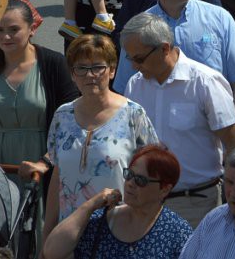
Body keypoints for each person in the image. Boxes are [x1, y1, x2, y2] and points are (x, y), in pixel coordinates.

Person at [112, 0, 235, 140]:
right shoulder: (139, 28)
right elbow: (124, 92)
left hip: (213, 140)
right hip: (158, 145)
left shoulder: (219, 18)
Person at [121, 13, 235, 228]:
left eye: (139, 59)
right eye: (130, 59)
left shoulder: (205, 83)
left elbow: (234, 145)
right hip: (147, 203)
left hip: (196, 204)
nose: (134, 66)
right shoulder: (135, 85)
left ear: (164, 49)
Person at [41, 34, 158, 241]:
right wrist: (48, 232)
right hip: (69, 235)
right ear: (72, 74)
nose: (90, 75)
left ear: (112, 70)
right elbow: (57, 177)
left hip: (119, 233)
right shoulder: (62, 116)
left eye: (98, 67)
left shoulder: (133, 114)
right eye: (82, 68)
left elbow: (152, 178)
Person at [0, 0, 78, 249]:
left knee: (38, 234)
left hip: (42, 162)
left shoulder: (53, 64)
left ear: (32, 28)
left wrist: (46, 161)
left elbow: (71, 120)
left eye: (13, 29)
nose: (5, 36)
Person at [42, 145, 193, 259]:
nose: (130, 183)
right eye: (129, 174)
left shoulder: (178, 234)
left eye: (140, 180)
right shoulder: (101, 221)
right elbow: (51, 252)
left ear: (164, 189)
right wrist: (90, 205)